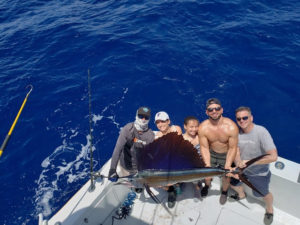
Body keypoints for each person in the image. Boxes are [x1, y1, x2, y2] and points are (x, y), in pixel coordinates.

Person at [230, 106, 278, 225]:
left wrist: (249, 162)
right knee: (232, 182)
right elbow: (236, 150)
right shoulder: (237, 133)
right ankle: (242, 195)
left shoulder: (261, 132)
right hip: (242, 170)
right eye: (239, 119)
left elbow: (273, 156)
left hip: (259, 173)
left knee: (263, 194)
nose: (242, 121)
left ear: (251, 118)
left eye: (245, 117)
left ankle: (270, 209)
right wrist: (238, 163)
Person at [198, 98, 238, 204]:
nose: (214, 111)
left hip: (226, 155)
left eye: (217, 108)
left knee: (226, 176)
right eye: (210, 110)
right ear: (207, 112)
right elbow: (204, 147)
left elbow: (232, 148)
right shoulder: (203, 127)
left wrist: (228, 165)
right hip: (211, 153)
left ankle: (224, 192)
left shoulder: (231, 127)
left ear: (221, 110)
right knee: (206, 174)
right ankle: (207, 185)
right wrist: (207, 165)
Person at [108, 106, 155, 189]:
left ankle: (139, 187)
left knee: (140, 186)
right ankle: (133, 187)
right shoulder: (127, 129)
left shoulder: (150, 135)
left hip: (139, 168)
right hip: (125, 165)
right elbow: (118, 149)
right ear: (136, 116)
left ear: (149, 119)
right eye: (141, 116)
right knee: (130, 183)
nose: (143, 119)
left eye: (146, 117)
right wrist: (112, 169)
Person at [154, 111, 182, 208]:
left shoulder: (176, 129)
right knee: (156, 181)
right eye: (157, 122)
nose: (160, 124)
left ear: (168, 121)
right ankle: (171, 190)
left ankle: (178, 184)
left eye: (162, 121)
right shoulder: (157, 137)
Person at [182, 116, 202, 198]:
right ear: (185, 126)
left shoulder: (200, 137)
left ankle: (196, 188)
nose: (194, 129)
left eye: (196, 127)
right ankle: (181, 183)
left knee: (196, 180)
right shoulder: (181, 138)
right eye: (191, 127)